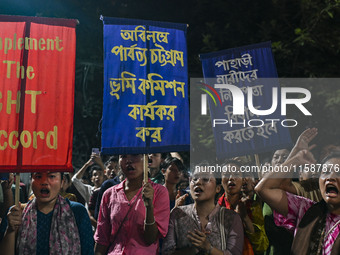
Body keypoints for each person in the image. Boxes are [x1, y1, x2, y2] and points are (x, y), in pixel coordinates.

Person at [256, 150, 340, 254]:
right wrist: (295, 159)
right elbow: (263, 188)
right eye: (325, 172)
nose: (330, 178)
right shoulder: (307, 211)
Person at [0, 171, 94, 255]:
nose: (44, 182)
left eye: (52, 176)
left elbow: (88, 251)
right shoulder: (16, 213)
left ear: (62, 181)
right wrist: (11, 230)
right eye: (38, 176)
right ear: (31, 180)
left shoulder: (77, 212)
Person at [94, 154, 170, 255]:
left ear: (147, 160)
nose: (129, 161)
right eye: (124, 156)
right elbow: (102, 240)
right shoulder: (109, 194)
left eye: (136, 156)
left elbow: (150, 239)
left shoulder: (159, 192)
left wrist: (149, 207)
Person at [162, 164, 244, 255]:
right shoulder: (177, 214)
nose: (198, 182)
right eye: (194, 179)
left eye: (205, 179)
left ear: (217, 188)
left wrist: (209, 248)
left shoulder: (230, 218)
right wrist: (192, 250)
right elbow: (167, 252)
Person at [219, 160, 268, 255]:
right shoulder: (214, 208)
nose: (231, 178)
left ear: (243, 180)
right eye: (226, 174)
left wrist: (245, 217)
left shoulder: (252, 206)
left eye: (236, 174)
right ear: (220, 180)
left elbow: (262, 245)